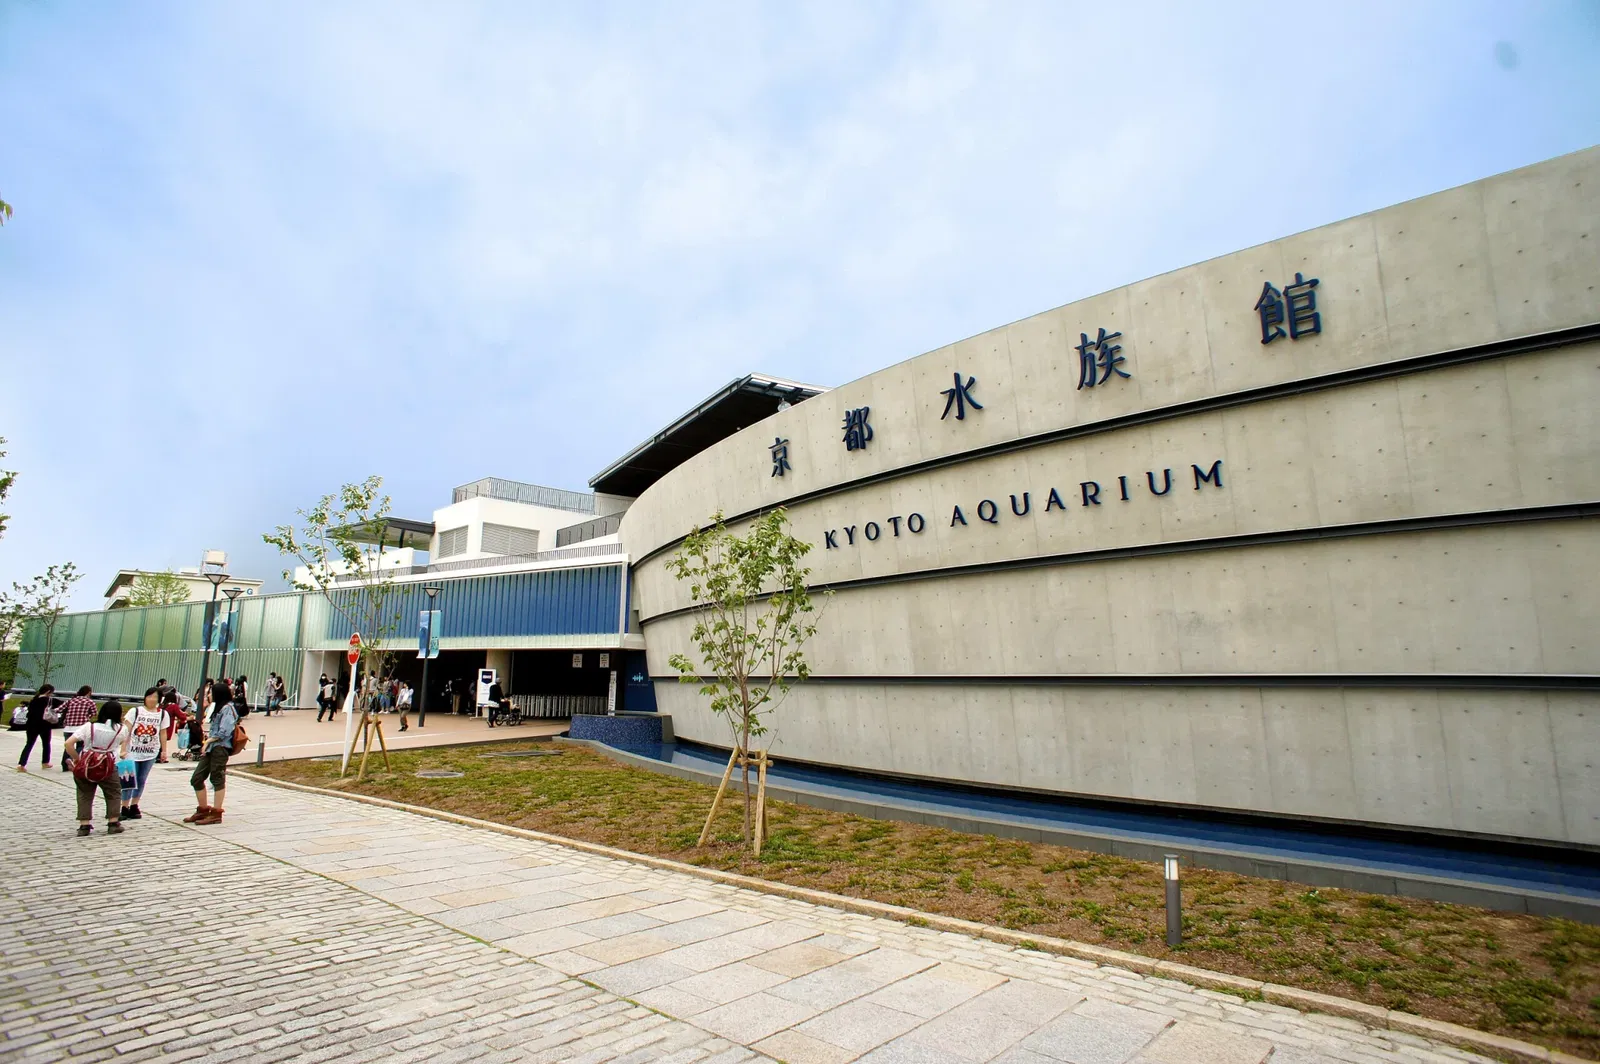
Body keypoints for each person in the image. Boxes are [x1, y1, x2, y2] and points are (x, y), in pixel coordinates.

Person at [66, 701, 128, 836]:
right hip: (107, 765)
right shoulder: (121, 729)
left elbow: (68, 743)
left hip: (86, 765)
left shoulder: (89, 727)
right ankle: (113, 823)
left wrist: (77, 758)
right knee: (113, 792)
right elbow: (122, 742)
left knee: (84, 794)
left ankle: (84, 825)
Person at [185, 681, 238, 826]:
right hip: (211, 748)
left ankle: (216, 813)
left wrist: (208, 742)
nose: (209, 695)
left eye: (210, 693)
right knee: (197, 778)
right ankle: (203, 809)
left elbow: (224, 731)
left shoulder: (228, 709)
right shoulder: (218, 708)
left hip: (220, 748)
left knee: (217, 779)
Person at [118, 687, 170, 820]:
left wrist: (164, 750)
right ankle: (124, 807)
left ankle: (134, 805)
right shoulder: (135, 711)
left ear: (159, 699)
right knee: (129, 779)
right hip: (131, 752)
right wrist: (123, 748)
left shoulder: (163, 714)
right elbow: (126, 731)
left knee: (141, 779)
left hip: (150, 752)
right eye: (149, 696)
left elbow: (163, 733)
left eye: (155, 697)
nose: (152, 699)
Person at [16, 684, 59, 771]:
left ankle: (21, 765)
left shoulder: (34, 700)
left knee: (29, 744)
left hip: (31, 725)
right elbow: (63, 704)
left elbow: (29, 713)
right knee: (46, 744)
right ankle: (45, 762)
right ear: (48, 692)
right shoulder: (49, 700)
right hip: (44, 725)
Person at [58, 686, 97, 771]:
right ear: (89, 692)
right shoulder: (89, 702)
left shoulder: (70, 700)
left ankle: (65, 765)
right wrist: (88, 716)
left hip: (68, 728)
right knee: (81, 746)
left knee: (68, 745)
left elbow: (59, 709)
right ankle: (72, 759)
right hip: (81, 728)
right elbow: (95, 713)